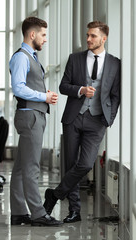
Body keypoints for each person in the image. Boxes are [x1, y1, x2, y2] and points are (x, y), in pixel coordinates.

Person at [43, 21, 121, 223]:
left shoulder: (115, 63)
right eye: (87, 35)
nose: (88, 39)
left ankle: (55, 194)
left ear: (104, 38)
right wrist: (81, 90)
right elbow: (63, 86)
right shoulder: (75, 59)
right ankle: (74, 211)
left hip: (97, 121)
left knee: (85, 164)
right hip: (73, 118)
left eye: (93, 36)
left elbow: (115, 95)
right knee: (70, 165)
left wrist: (108, 119)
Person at [9, 16, 63, 227]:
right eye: (43, 34)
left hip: (31, 114)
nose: (45, 39)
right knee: (31, 167)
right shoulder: (22, 57)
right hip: (30, 116)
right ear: (32, 35)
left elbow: (26, 86)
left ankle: (19, 212)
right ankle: (38, 213)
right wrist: (44, 97)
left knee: (21, 168)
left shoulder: (29, 56)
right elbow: (19, 88)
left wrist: (43, 93)